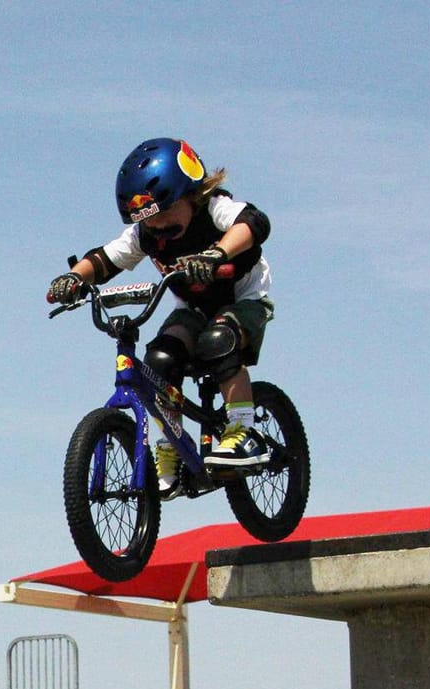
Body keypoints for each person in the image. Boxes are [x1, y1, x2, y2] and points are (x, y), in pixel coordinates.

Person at [48, 137, 275, 498]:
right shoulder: (146, 233)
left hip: (242, 299)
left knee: (218, 342)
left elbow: (253, 223)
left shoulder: (214, 209)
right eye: (150, 226)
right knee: (159, 361)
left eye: (167, 222)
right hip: (193, 310)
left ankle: (243, 430)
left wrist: (217, 253)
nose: (158, 231)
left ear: (191, 196)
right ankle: (171, 445)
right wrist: (76, 277)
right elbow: (107, 258)